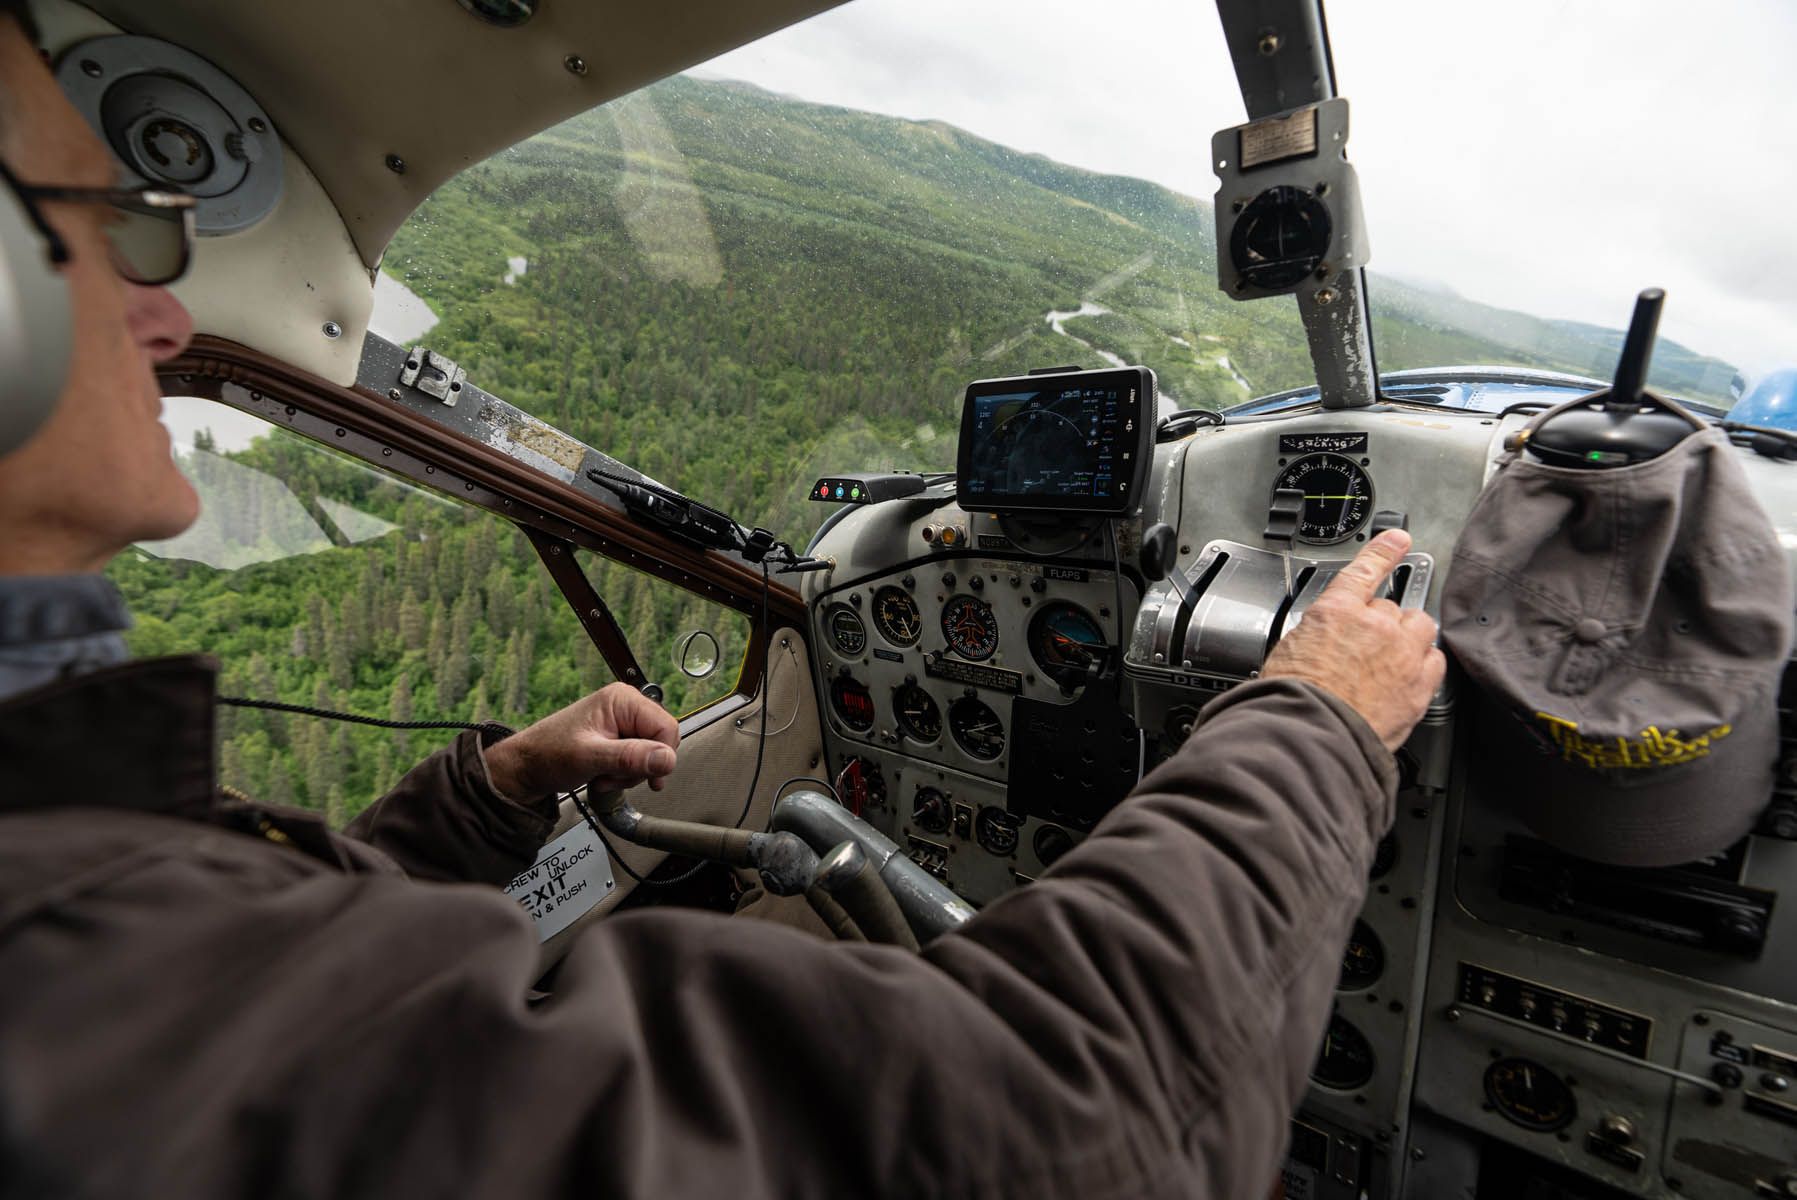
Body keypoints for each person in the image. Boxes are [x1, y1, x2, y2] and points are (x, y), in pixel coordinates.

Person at [0, 5, 1446, 1196]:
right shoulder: (66, 962)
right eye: (114, 228)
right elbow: (1076, 1132)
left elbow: (279, 979)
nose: (169, 314)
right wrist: (1316, 720)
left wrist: (482, 798)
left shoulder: (80, 901)